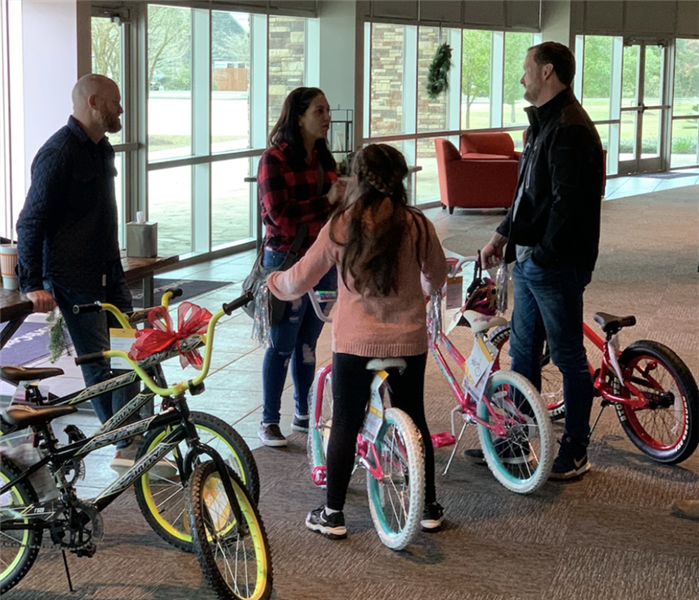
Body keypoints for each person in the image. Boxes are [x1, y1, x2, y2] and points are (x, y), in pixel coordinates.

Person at [267, 144, 448, 538]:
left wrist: (272, 283)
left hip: (355, 343)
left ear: (359, 179)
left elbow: (299, 279)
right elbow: (436, 275)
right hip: (408, 341)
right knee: (415, 418)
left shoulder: (342, 224)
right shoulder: (417, 224)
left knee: (346, 419)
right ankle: (430, 507)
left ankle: (332, 514)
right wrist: (424, 287)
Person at [469, 42, 604, 480]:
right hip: (532, 262)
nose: (521, 77)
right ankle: (512, 441)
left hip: (555, 266)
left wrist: (541, 258)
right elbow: (528, 197)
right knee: (523, 355)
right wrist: (501, 237)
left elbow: (571, 207)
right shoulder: (543, 126)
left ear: (548, 72)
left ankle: (576, 450)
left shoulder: (571, 129)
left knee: (567, 358)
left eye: (526, 69)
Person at [16, 74, 140, 473]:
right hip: (74, 278)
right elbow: (30, 222)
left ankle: (129, 433)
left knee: (131, 354)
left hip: (109, 273)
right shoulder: (58, 152)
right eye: (115, 102)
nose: (120, 109)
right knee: (98, 361)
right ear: (93, 102)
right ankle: (124, 442)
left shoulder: (102, 149)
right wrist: (32, 283)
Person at [256, 87, 339, 447]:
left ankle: (304, 413)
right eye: (319, 111)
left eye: (327, 110)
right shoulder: (273, 159)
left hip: (323, 261)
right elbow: (281, 217)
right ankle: (269, 420)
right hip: (286, 261)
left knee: (309, 341)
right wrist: (326, 202)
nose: (327, 117)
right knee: (282, 344)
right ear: (299, 116)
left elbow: (337, 214)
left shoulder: (324, 158)